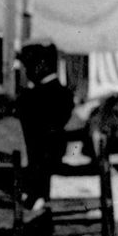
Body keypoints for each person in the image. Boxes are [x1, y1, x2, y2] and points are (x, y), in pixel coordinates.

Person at [16, 41, 75, 205]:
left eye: (28, 67)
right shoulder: (62, 92)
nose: (27, 73)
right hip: (48, 150)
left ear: (41, 66)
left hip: (42, 152)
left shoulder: (38, 95)